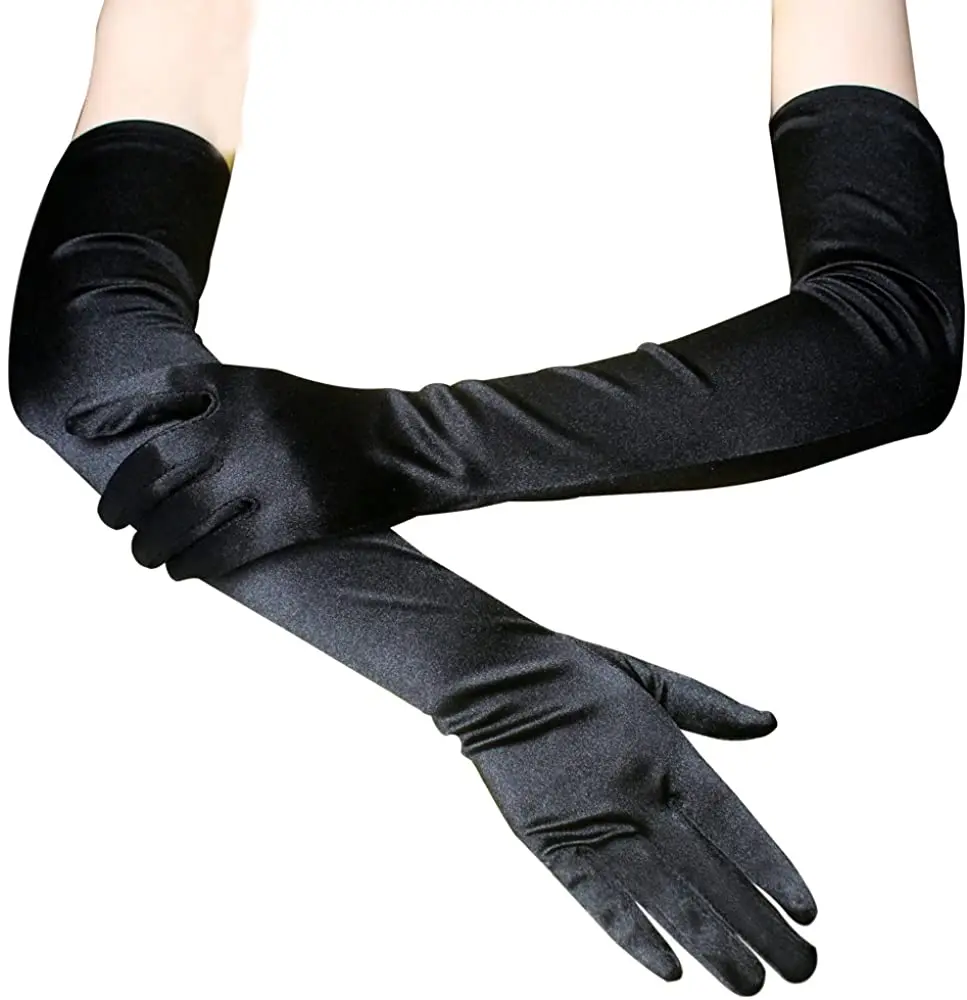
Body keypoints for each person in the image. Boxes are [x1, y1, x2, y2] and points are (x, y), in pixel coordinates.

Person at [6, 0, 959, 994]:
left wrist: (398, 442)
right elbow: (96, 365)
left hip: (825, 681)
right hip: (262, 768)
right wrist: (491, 675)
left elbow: (888, 334)